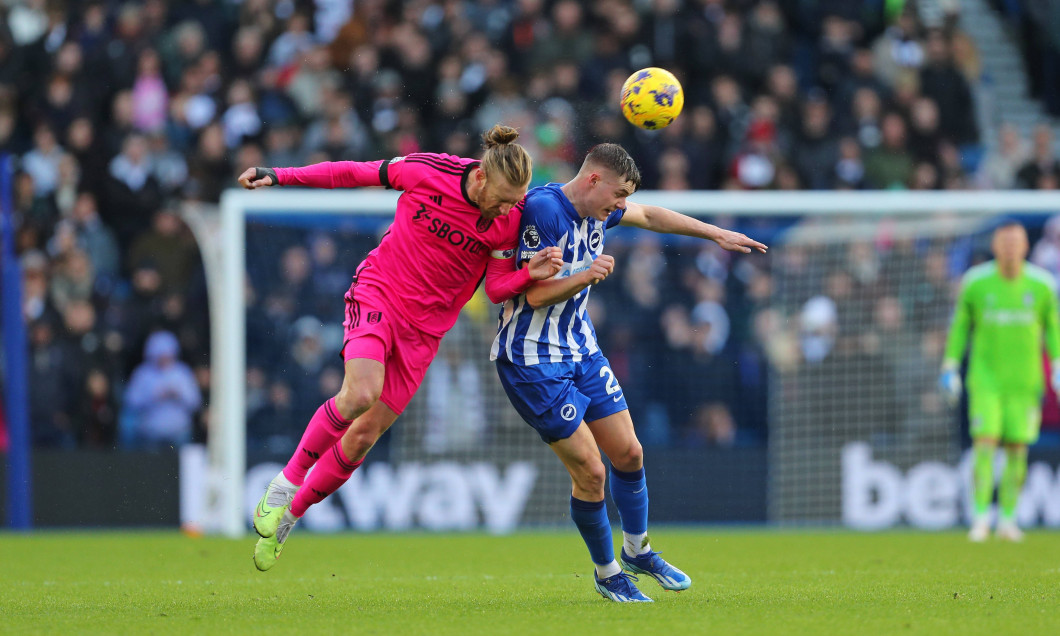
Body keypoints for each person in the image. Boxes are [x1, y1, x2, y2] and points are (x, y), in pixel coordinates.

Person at [238, 125, 564, 571]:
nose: (509, 208)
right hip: (379, 294)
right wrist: (281, 176)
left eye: (516, 200)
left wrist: (533, 273)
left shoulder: (509, 219)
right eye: (504, 198)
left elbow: (494, 290)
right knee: (360, 393)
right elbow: (351, 174)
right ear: (483, 178)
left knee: (362, 438)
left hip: (425, 333)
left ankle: (290, 518)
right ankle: (285, 483)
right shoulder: (429, 172)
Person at [490, 144, 767, 602]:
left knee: (630, 453)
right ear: (593, 180)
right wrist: (587, 275)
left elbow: (653, 216)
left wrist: (715, 233)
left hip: (581, 349)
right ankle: (607, 573)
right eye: (618, 195)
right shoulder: (545, 210)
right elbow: (533, 296)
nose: (621, 206)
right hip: (533, 361)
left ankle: (638, 550)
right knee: (592, 473)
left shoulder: (602, 209)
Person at [940, 220, 1060, 542]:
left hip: (1024, 383)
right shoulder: (976, 284)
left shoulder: (1043, 285)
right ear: (995, 247)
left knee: (1017, 450)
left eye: (1015, 243)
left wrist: (1059, 363)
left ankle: (1008, 519)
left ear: (1025, 247)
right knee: (985, 445)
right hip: (986, 381)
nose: (1009, 248)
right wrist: (950, 365)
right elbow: (961, 327)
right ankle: (980, 518)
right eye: (1004, 243)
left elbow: (1053, 328)